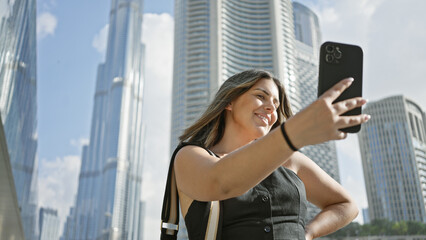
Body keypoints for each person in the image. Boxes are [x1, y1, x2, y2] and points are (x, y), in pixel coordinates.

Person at [166, 70, 370, 239]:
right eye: (260, 96)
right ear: (229, 102)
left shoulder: (290, 160)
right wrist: (296, 132)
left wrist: (307, 233)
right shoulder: (189, 156)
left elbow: (347, 205)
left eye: (276, 104)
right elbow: (220, 183)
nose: (271, 107)